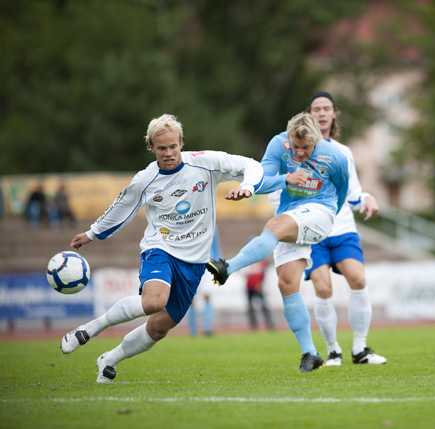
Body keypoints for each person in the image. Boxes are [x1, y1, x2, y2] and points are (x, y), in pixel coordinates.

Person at [59, 114, 263, 383]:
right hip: (161, 248)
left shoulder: (205, 163)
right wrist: (92, 233)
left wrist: (247, 187)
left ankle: (109, 360)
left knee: (159, 328)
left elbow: (251, 165)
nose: (168, 153)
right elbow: (121, 208)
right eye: (161, 148)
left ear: (181, 143)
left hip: (195, 261)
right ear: (152, 148)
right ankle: (88, 329)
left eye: (173, 146)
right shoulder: (146, 179)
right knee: (154, 302)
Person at [207, 112, 349, 372]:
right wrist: (284, 179)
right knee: (286, 283)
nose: (299, 152)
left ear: (316, 140)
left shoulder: (335, 157)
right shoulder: (278, 144)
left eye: (306, 148)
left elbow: (342, 190)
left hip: (321, 212)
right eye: (295, 147)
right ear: (288, 138)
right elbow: (261, 182)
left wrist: (328, 217)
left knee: (272, 226)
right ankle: (311, 353)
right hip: (291, 213)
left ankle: (228, 266)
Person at [305, 91, 386, 365]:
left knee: (359, 280)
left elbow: (353, 194)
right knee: (324, 289)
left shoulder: (343, 152)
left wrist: (367, 198)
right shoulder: (297, 150)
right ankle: (333, 350)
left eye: (327, 108)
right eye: (317, 109)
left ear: (334, 114)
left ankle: (360, 349)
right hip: (313, 233)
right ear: (309, 114)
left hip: (342, 230)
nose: (322, 113)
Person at [188, 227, 223, 337]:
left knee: (207, 296)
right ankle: (193, 329)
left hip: (207, 265)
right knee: (191, 299)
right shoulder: (191, 222)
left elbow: (216, 246)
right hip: (192, 265)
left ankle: (207, 328)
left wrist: (219, 262)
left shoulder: (213, 226)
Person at [244, 257, 274, 331]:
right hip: (249, 287)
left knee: (264, 306)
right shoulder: (248, 261)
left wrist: (260, 284)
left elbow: (264, 274)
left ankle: (269, 324)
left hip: (259, 287)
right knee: (250, 307)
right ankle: (254, 326)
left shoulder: (262, 262)